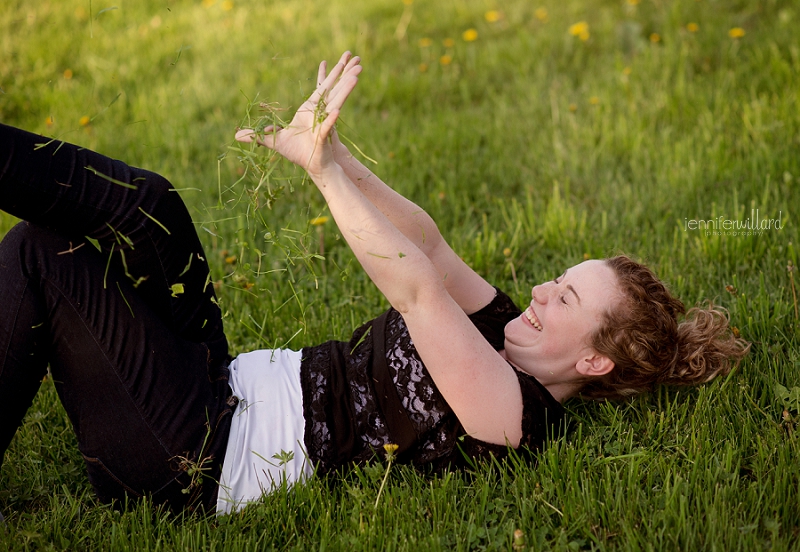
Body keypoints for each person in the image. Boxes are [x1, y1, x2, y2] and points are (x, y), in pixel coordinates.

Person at [0, 53, 748, 516]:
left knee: (42, 250)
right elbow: (429, 244)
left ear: (594, 362)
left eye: (566, 300)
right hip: (215, 382)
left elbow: (418, 291)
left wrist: (326, 177)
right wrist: (332, 150)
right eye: (559, 279)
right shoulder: (508, 329)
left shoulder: (516, 418)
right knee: (148, 208)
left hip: (197, 456)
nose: (544, 291)